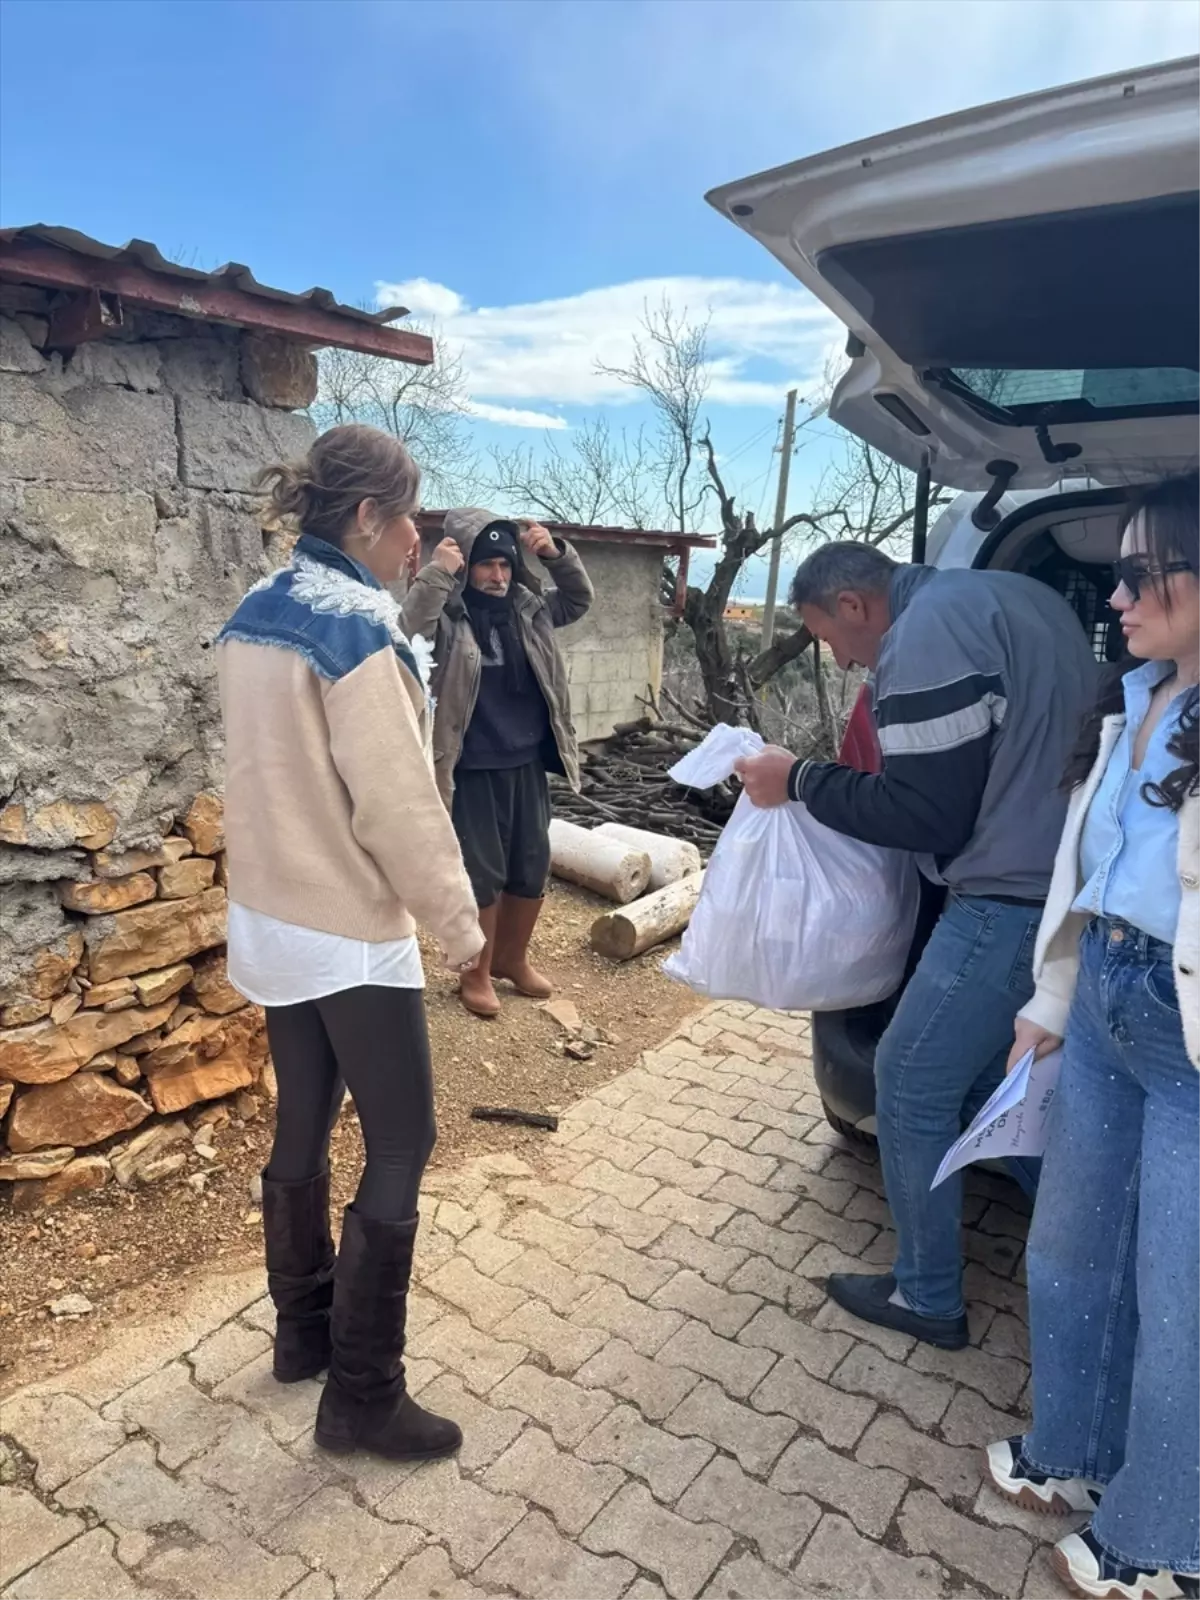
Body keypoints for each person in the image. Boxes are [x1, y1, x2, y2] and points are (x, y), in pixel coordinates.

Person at [737, 540, 1096, 1349]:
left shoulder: (926, 635)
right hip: (1063, 883)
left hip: (1010, 897)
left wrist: (796, 779)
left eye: (832, 637)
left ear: (857, 605)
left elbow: (926, 814)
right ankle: (1097, 1250)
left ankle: (928, 1296)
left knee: (906, 1078)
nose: (841, 657)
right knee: (980, 1090)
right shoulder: (1003, 595)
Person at [217, 424, 485, 1463]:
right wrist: (461, 930)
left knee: (303, 1121)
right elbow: (400, 809)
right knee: (402, 1142)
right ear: (367, 517)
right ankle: (364, 1395)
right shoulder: (360, 635)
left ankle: (303, 1335)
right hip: (348, 928)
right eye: (410, 515)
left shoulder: (253, 613)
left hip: (272, 915)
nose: (419, 538)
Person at [985, 473, 1200, 1600]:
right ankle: (1074, 1451)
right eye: (1111, 573)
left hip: (1192, 1041)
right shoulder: (1136, 697)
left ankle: (1167, 1535)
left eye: (1137, 571)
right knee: (1066, 1250)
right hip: (1109, 1000)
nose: (1112, 595)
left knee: (1182, 1304)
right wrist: (1050, 1004)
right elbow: (1094, 877)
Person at [402, 509, 594, 1017]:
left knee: (529, 865)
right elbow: (408, 630)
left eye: (505, 566)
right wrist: (436, 572)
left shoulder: (530, 611)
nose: (498, 577)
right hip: (472, 765)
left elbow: (578, 599)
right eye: (487, 566)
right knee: (481, 874)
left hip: (527, 759)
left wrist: (554, 554)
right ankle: (476, 972)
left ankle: (511, 958)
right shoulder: (448, 616)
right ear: (468, 567)